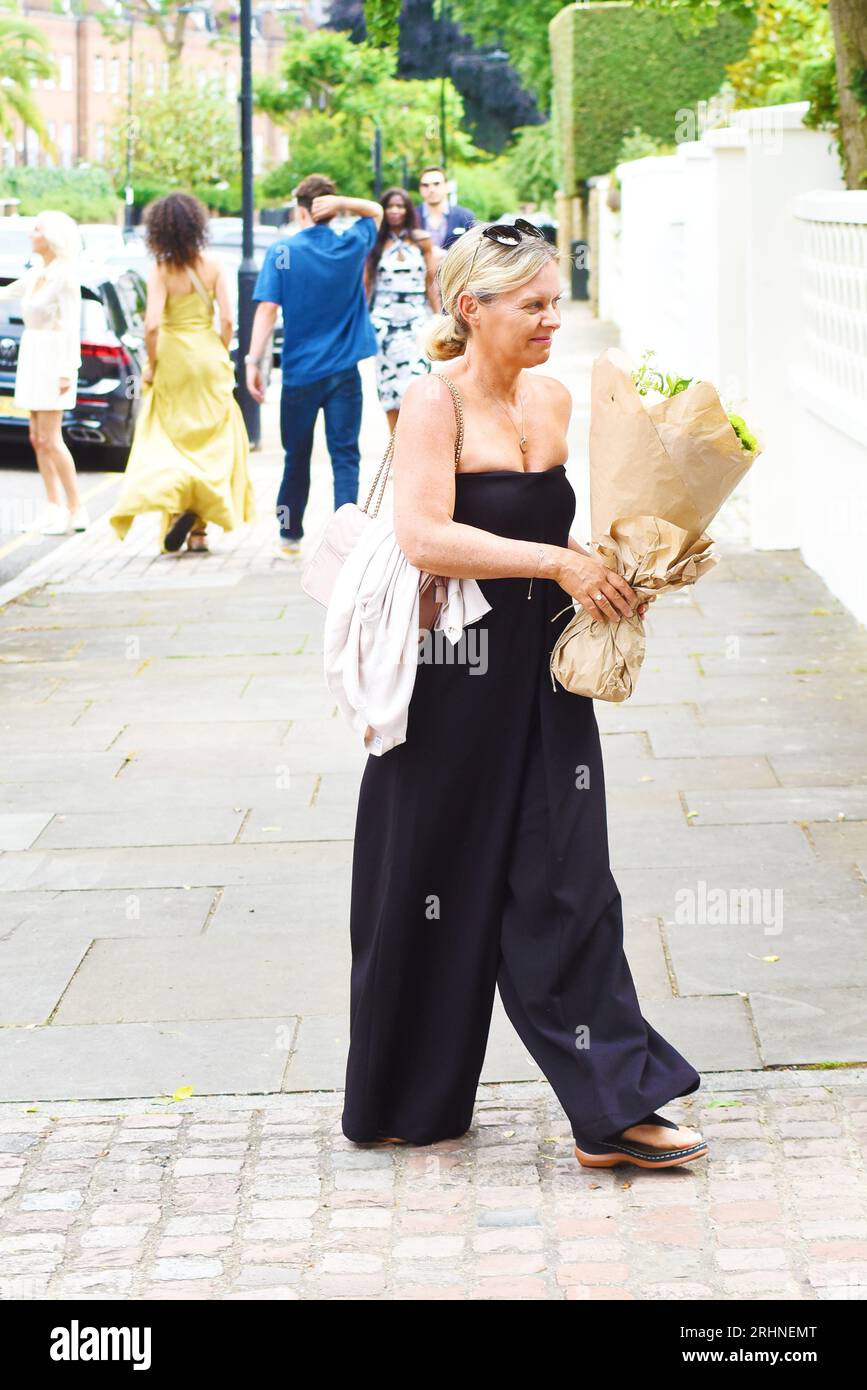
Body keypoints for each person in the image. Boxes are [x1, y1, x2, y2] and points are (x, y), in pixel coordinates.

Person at [341, 220, 708, 1171]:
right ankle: (405, 1097)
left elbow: (564, 525)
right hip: (450, 681)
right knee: (427, 882)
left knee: (569, 884)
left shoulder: (551, 399)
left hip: (546, 680)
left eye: (555, 301)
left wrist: (626, 563)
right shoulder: (433, 402)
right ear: (473, 309)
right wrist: (554, 560)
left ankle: (614, 1107)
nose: (553, 317)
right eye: (533, 304)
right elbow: (423, 534)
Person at [109, 192, 255, 554]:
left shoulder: (161, 269)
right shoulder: (214, 264)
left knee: (171, 440)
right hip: (207, 354)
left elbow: (153, 325)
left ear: (159, 231)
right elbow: (228, 319)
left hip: (172, 357)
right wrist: (218, 349)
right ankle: (201, 529)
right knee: (211, 439)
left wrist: (152, 365)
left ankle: (177, 512)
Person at [245, 174, 383, 556]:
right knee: (345, 455)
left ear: (300, 209)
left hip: (300, 374)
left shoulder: (283, 252)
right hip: (344, 373)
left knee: (297, 455)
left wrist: (253, 360)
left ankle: (289, 533)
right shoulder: (352, 243)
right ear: (330, 209)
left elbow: (267, 310)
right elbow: (376, 211)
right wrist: (345, 204)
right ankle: (347, 541)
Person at [0, 210, 88, 535]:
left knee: (51, 439)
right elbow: (7, 292)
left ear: (51, 237)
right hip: (34, 354)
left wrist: (67, 371)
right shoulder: (40, 271)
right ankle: (53, 507)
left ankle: (76, 508)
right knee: (37, 438)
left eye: (36, 229)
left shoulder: (65, 275)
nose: (30, 234)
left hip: (55, 360)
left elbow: (70, 325)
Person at [363, 187, 438, 432]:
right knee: (389, 390)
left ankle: (416, 445)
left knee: (418, 388)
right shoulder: (376, 242)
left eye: (400, 206)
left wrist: (438, 319)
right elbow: (367, 284)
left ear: (408, 210)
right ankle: (395, 450)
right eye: (390, 206)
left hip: (416, 321)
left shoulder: (421, 239)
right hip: (385, 324)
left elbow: (431, 283)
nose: (395, 210)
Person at [414, 165, 475, 274]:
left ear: (446, 186)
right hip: (418, 281)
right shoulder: (412, 217)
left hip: (454, 278)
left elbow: (474, 252)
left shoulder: (465, 216)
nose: (431, 189)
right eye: (425, 185)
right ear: (420, 189)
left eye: (437, 184)